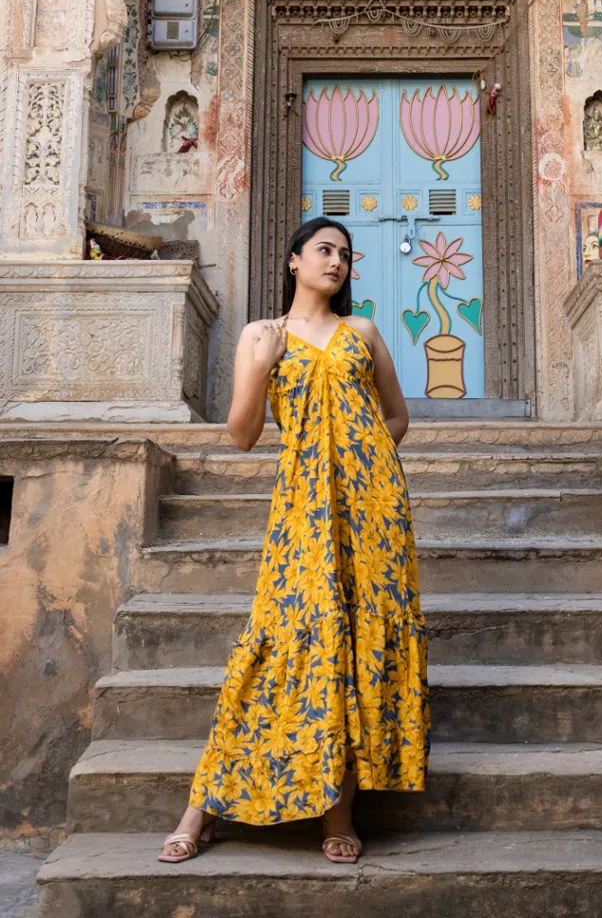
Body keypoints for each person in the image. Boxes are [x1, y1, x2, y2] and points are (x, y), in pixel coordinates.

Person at [158, 217, 430, 865]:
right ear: (293, 262)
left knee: (356, 641)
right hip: (302, 506)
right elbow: (241, 432)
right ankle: (201, 808)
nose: (336, 262)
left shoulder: (361, 332)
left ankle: (339, 813)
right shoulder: (262, 335)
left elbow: (397, 415)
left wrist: (366, 464)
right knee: (281, 639)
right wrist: (264, 367)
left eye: (344, 255)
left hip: (374, 510)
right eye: (324, 251)